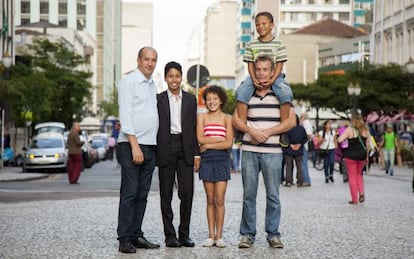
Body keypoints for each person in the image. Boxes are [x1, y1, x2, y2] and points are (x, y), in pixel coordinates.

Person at [232, 55, 296, 249]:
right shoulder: (246, 94)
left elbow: (291, 121)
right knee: (248, 195)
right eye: (258, 69)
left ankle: (273, 234)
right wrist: (251, 132)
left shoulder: (280, 94)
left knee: (273, 195)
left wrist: (267, 132)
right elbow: (236, 119)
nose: (261, 73)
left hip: (273, 152)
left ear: (272, 71)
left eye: (265, 69)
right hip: (250, 150)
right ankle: (247, 235)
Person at [116, 47, 160, 253]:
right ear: (138, 60)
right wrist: (134, 145)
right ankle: (124, 238)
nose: (150, 63)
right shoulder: (128, 82)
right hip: (132, 145)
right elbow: (125, 116)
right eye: (146, 59)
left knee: (142, 194)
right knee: (130, 193)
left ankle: (136, 234)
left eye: (153, 60)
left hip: (150, 145)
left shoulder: (152, 85)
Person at [156, 61, 200, 248]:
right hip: (166, 147)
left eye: (177, 76)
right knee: (166, 194)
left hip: (186, 147)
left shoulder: (191, 99)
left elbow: (193, 127)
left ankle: (184, 234)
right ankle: (170, 235)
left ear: (181, 77)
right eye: (170, 76)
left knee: (187, 193)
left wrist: (197, 153)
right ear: (166, 78)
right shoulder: (158, 99)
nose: (174, 80)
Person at [235, 11, 292, 134]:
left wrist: (272, 80)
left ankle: (283, 130)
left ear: (272, 25)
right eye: (257, 24)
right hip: (255, 75)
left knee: (285, 92)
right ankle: (242, 128)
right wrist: (254, 78)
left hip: (275, 76)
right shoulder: (251, 44)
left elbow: (280, 65)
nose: (260, 27)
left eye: (264, 23)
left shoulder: (279, 44)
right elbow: (250, 64)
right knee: (241, 91)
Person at [196, 85, 234, 248]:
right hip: (207, 161)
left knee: (220, 199)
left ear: (221, 100)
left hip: (222, 160)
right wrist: (219, 140)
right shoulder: (201, 117)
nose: (212, 102)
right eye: (209, 99)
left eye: (215, 98)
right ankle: (210, 235)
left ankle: (220, 236)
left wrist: (209, 144)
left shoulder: (227, 118)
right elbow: (199, 138)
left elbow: (229, 143)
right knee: (210, 199)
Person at [337, 113, 370, 204]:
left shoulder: (350, 129)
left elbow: (340, 140)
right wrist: (366, 157)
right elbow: (367, 145)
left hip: (351, 155)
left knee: (352, 176)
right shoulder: (366, 130)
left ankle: (354, 199)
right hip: (362, 156)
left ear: (353, 120)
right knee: (359, 174)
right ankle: (362, 192)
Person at [283, 115, 308, 187]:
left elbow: (284, 138)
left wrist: (290, 144)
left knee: (288, 166)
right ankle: (300, 181)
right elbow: (305, 138)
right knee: (299, 166)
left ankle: (288, 181)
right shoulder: (301, 128)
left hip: (288, 150)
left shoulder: (287, 128)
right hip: (299, 150)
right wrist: (299, 144)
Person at [299, 112, 313, 186]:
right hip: (305, 145)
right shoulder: (308, 123)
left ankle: (306, 180)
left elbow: (308, 135)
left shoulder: (305, 123)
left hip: (303, 145)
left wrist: (301, 141)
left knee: (303, 163)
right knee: (303, 163)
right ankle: (304, 179)